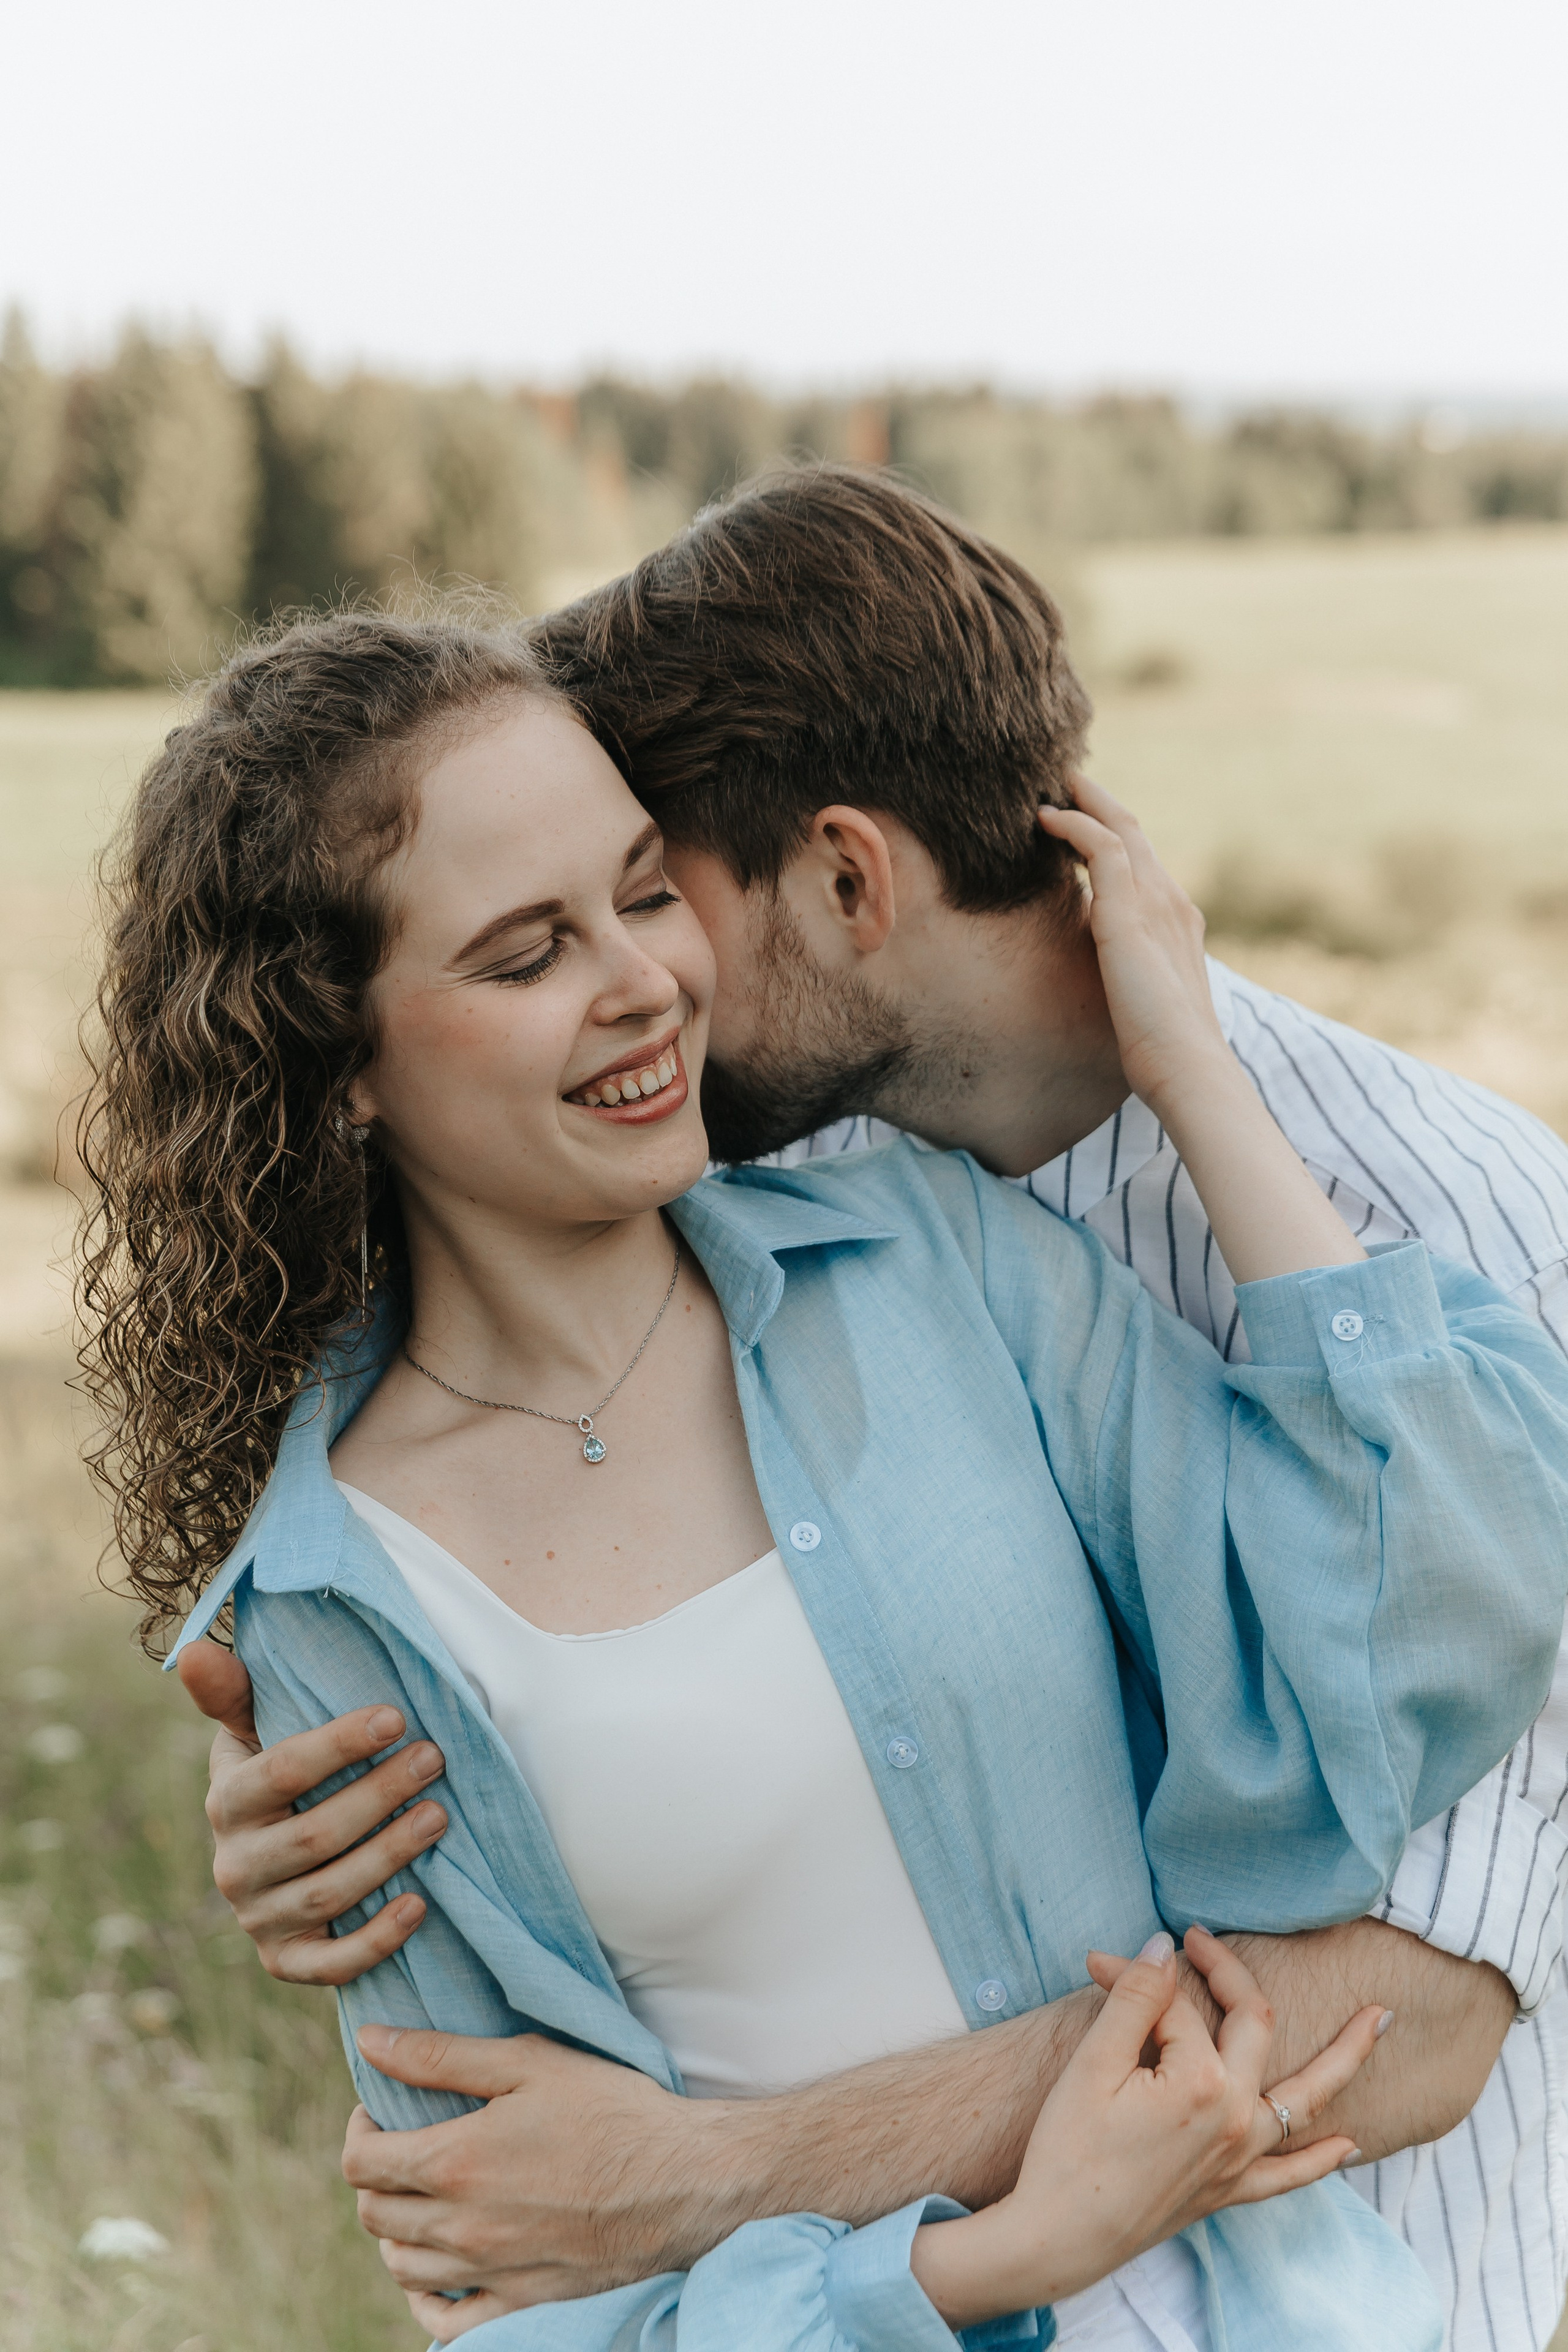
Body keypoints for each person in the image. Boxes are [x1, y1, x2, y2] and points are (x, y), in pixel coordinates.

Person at [194, 470, 1568, 2352]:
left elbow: (1408, 2008)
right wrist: (324, 1661)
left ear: (848, 882)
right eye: (536, 946)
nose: (645, 985)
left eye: (654, 891)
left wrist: (710, 2178)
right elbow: (506, 2272)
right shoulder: (364, 1568)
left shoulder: (1409, 1238)